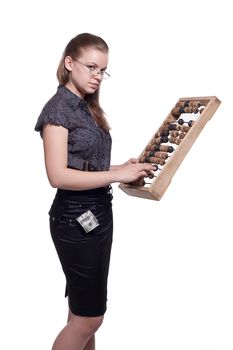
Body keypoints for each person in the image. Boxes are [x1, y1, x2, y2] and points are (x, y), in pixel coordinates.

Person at [35, 32, 154, 350]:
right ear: (69, 63)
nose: (97, 76)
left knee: (81, 314)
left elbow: (86, 168)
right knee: (90, 319)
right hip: (76, 221)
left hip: (96, 216)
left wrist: (122, 169)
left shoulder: (86, 108)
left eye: (103, 70)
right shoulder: (58, 110)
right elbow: (58, 175)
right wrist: (116, 176)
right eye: (91, 67)